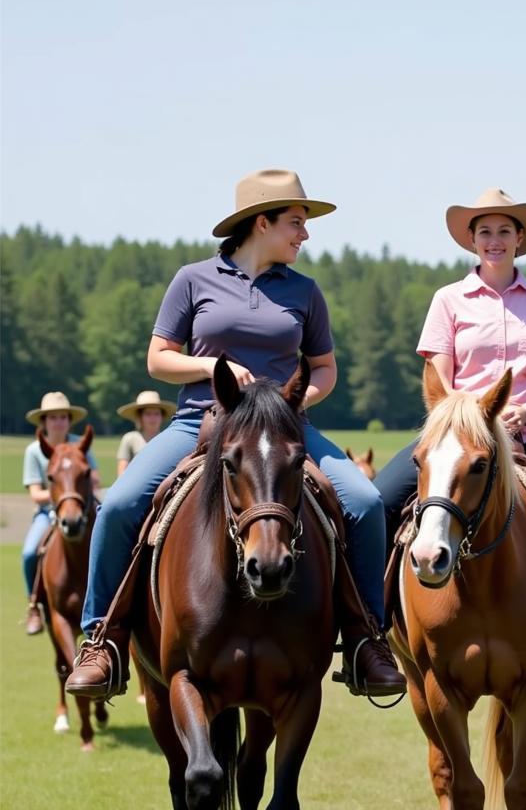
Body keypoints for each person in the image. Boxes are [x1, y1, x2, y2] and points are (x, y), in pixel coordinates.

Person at [65, 169, 405, 701]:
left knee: (364, 500)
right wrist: (210, 366)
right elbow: (158, 359)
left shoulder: (305, 291)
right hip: (199, 422)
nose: (305, 235)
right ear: (261, 222)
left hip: (284, 431)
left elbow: (325, 369)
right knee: (119, 505)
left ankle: (367, 640)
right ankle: (101, 641)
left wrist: (293, 405)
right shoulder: (193, 279)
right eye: (296, 223)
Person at [374, 187, 526, 692]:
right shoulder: (448, 301)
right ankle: (372, 633)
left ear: (520, 239)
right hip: (460, 438)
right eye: (484, 231)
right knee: (374, 502)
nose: (494, 240)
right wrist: (473, 418)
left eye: (504, 231)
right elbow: (437, 384)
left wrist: (525, 410)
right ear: (471, 240)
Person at [21, 392, 101, 635]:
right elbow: (35, 493)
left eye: (63, 417)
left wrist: (75, 493)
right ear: (44, 422)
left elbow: (95, 479)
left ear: (69, 420)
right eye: (53, 417)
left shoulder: (80, 444)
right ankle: (34, 605)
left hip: (81, 508)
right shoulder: (34, 451)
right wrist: (63, 495)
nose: (58, 422)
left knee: (110, 540)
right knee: (28, 553)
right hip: (48, 513)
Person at [115, 390, 175, 476]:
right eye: (148, 414)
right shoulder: (130, 438)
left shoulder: (168, 439)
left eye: (156, 414)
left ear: (162, 416)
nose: (152, 418)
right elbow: (122, 471)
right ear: (140, 417)